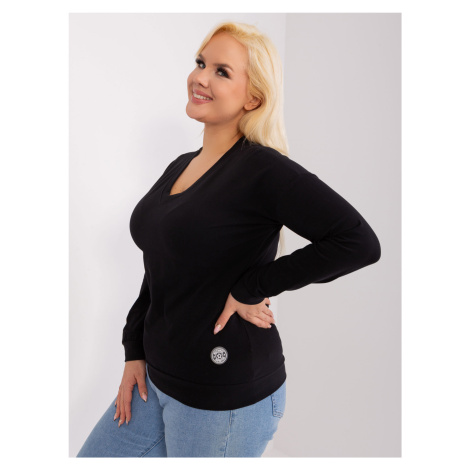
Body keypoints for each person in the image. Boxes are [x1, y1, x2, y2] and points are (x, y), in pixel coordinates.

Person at [77, 21, 381, 458]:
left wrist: (251, 287)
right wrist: (134, 350)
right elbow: (160, 265)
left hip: (223, 398)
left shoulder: (263, 169)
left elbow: (357, 241)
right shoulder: (181, 165)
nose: (200, 77)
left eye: (222, 71)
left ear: (253, 97)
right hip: (155, 379)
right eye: (201, 63)